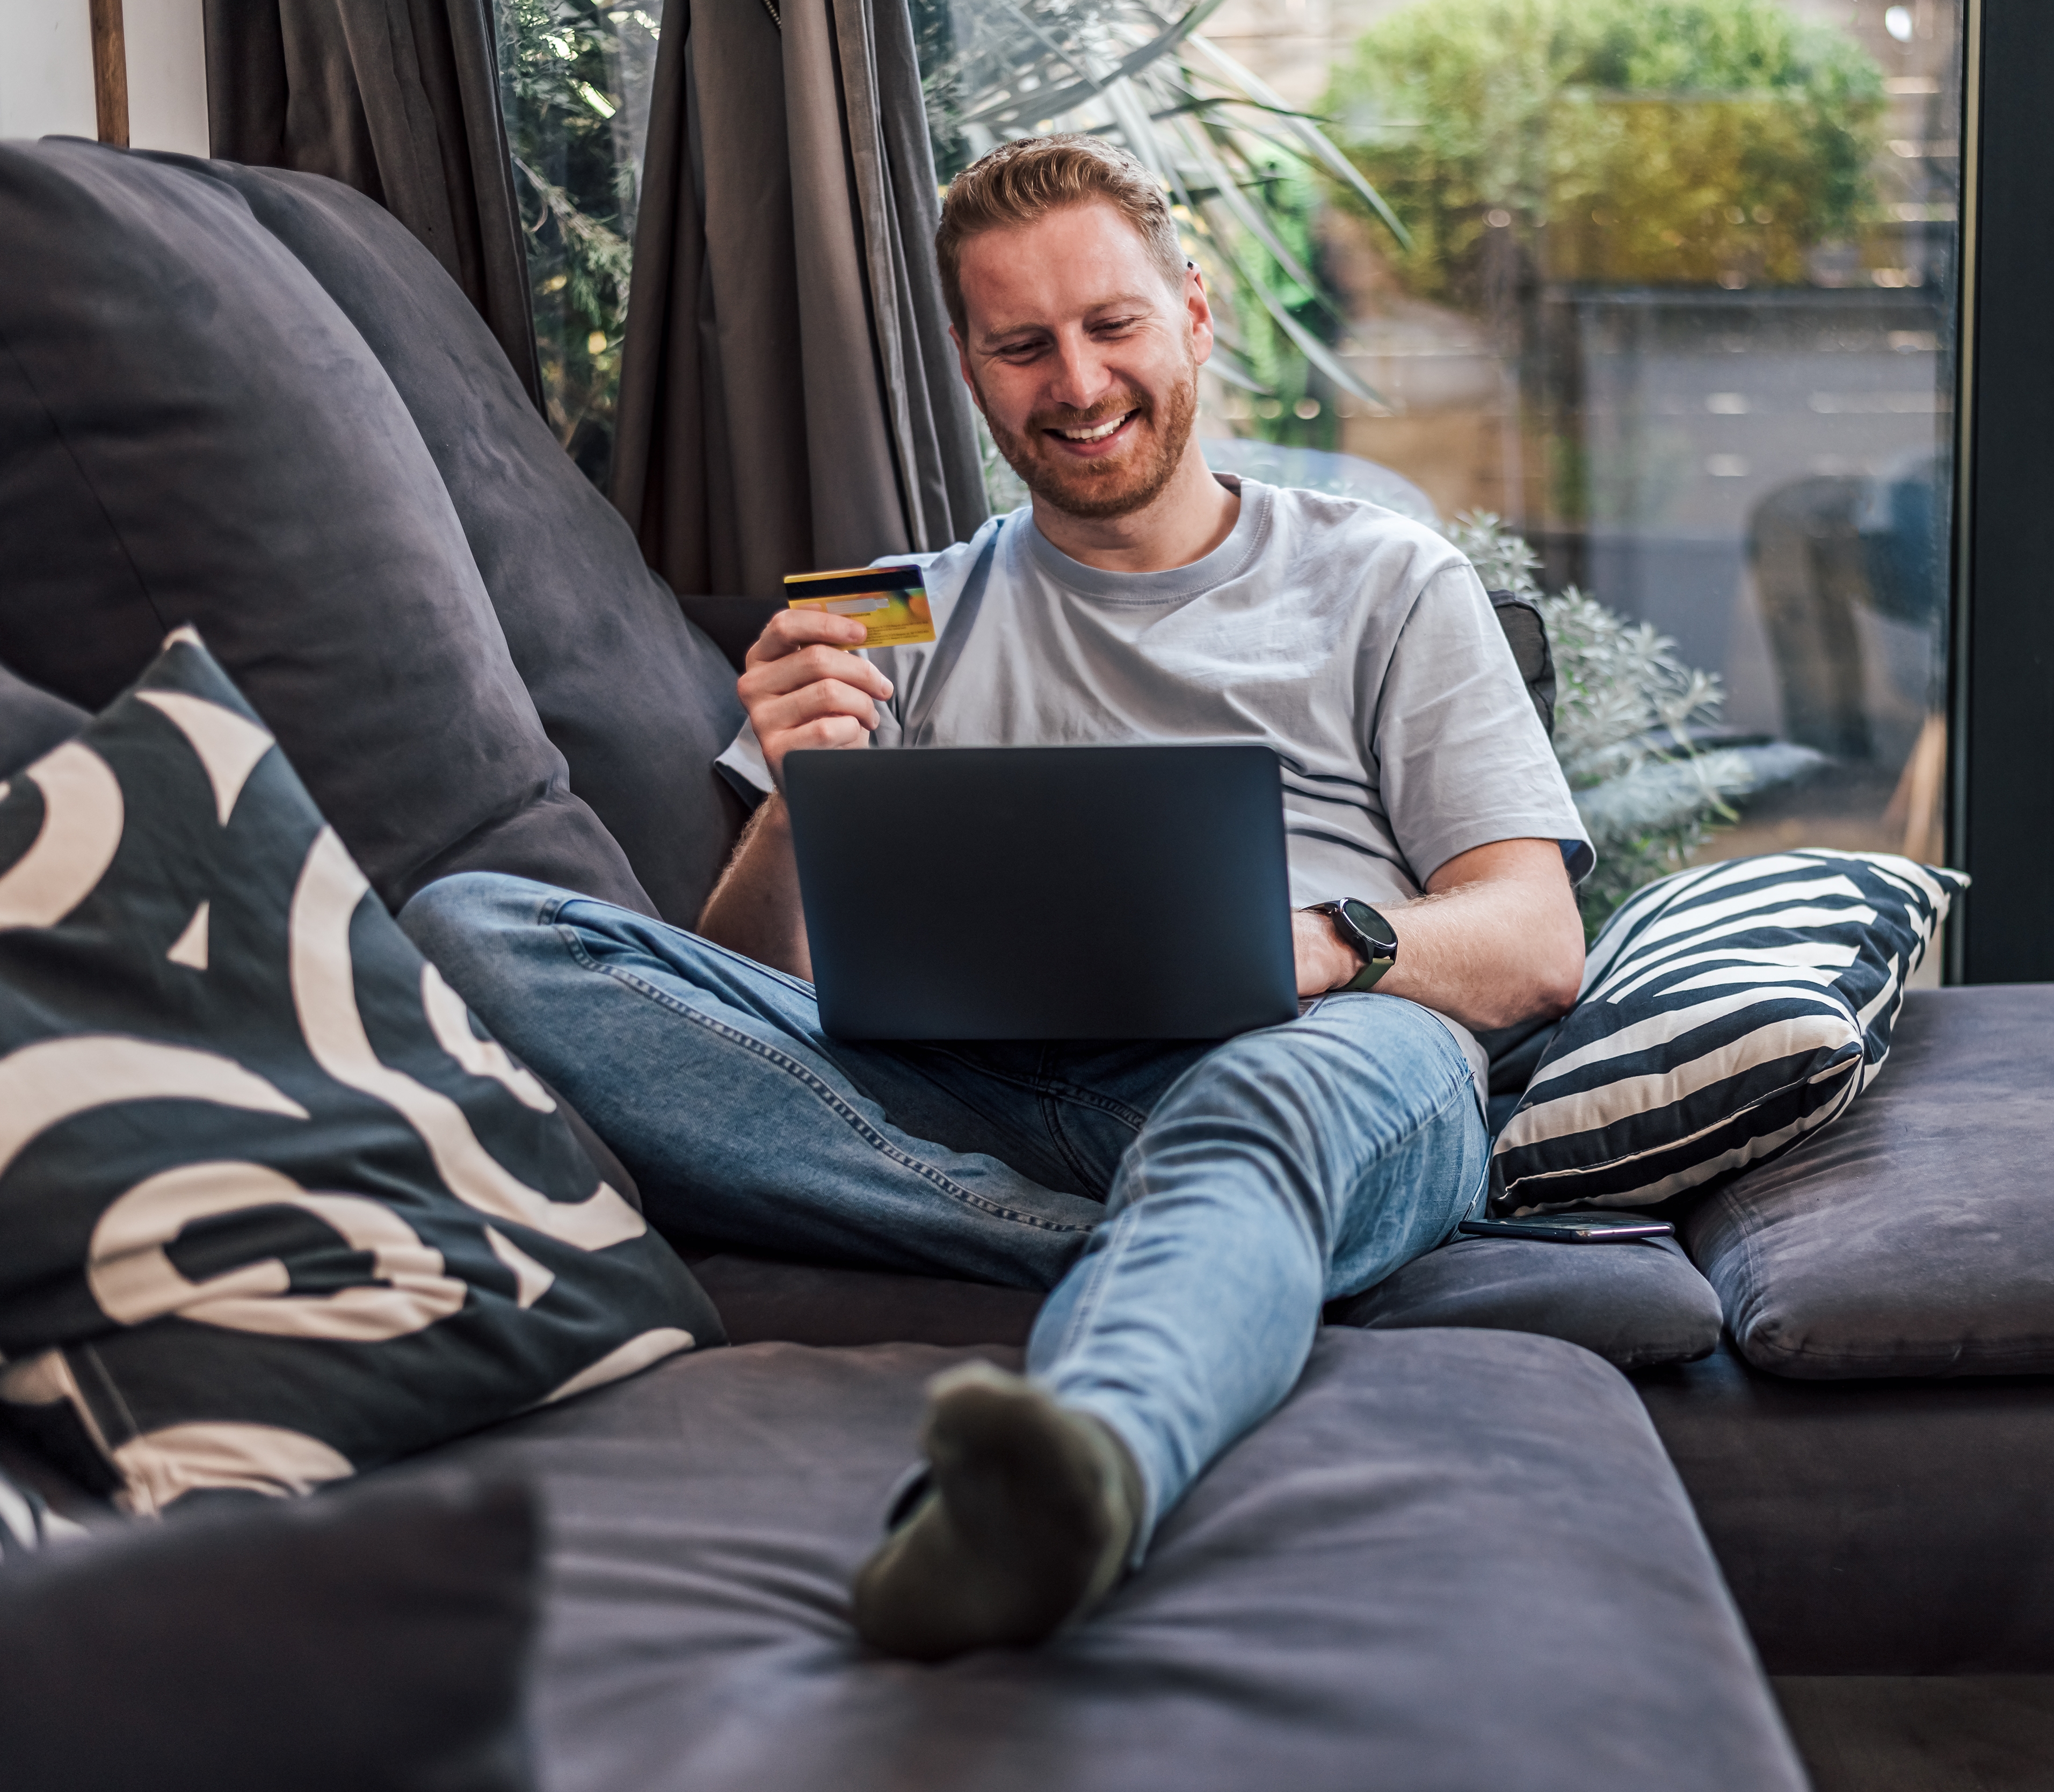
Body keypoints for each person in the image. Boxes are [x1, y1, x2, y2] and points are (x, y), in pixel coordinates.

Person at [400, 134, 1590, 1662]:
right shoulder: (897, 610)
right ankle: (1172, 1235)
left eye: (1111, 328)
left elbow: (1536, 940)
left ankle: (1082, 1465)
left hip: (1316, 1052)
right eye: (1022, 346)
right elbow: (744, 989)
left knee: (1258, 1117)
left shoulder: (1384, 579)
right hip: (976, 1087)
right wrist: (798, 797)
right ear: (966, 364)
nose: (1078, 386)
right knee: (474, 929)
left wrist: (1304, 949)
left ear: (1196, 315)